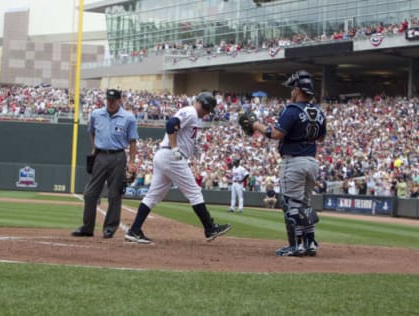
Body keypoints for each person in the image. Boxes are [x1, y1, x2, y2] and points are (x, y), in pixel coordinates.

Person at [239, 70, 326, 257]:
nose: (291, 92)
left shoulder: (292, 109)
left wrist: (256, 125)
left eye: (293, 88)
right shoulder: (319, 111)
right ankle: (310, 244)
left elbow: (276, 134)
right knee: (305, 204)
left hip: (293, 161)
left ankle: (295, 246)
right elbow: (321, 138)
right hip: (312, 161)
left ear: (298, 90)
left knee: (291, 204)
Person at [124, 92, 231, 244]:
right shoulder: (191, 112)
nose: (207, 114)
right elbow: (170, 124)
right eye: (208, 110)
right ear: (205, 105)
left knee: (153, 196)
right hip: (171, 156)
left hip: (164, 156)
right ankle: (210, 228)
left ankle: (134, 230)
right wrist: (175, 148)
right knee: (194, 192)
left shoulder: (191, 114)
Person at [72, 89, 138, 238]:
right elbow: (92, 131)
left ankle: (110, 228)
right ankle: (87, 227)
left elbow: (133, 141)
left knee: (114, 194)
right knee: (90, 194)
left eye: (113, 100)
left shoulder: (128, 118)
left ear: (119, 100)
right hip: (100, 156)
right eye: (108, 100)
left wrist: (132, 163)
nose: (110, 103)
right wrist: (95, 147)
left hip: (118, 157)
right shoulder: (96, 114)